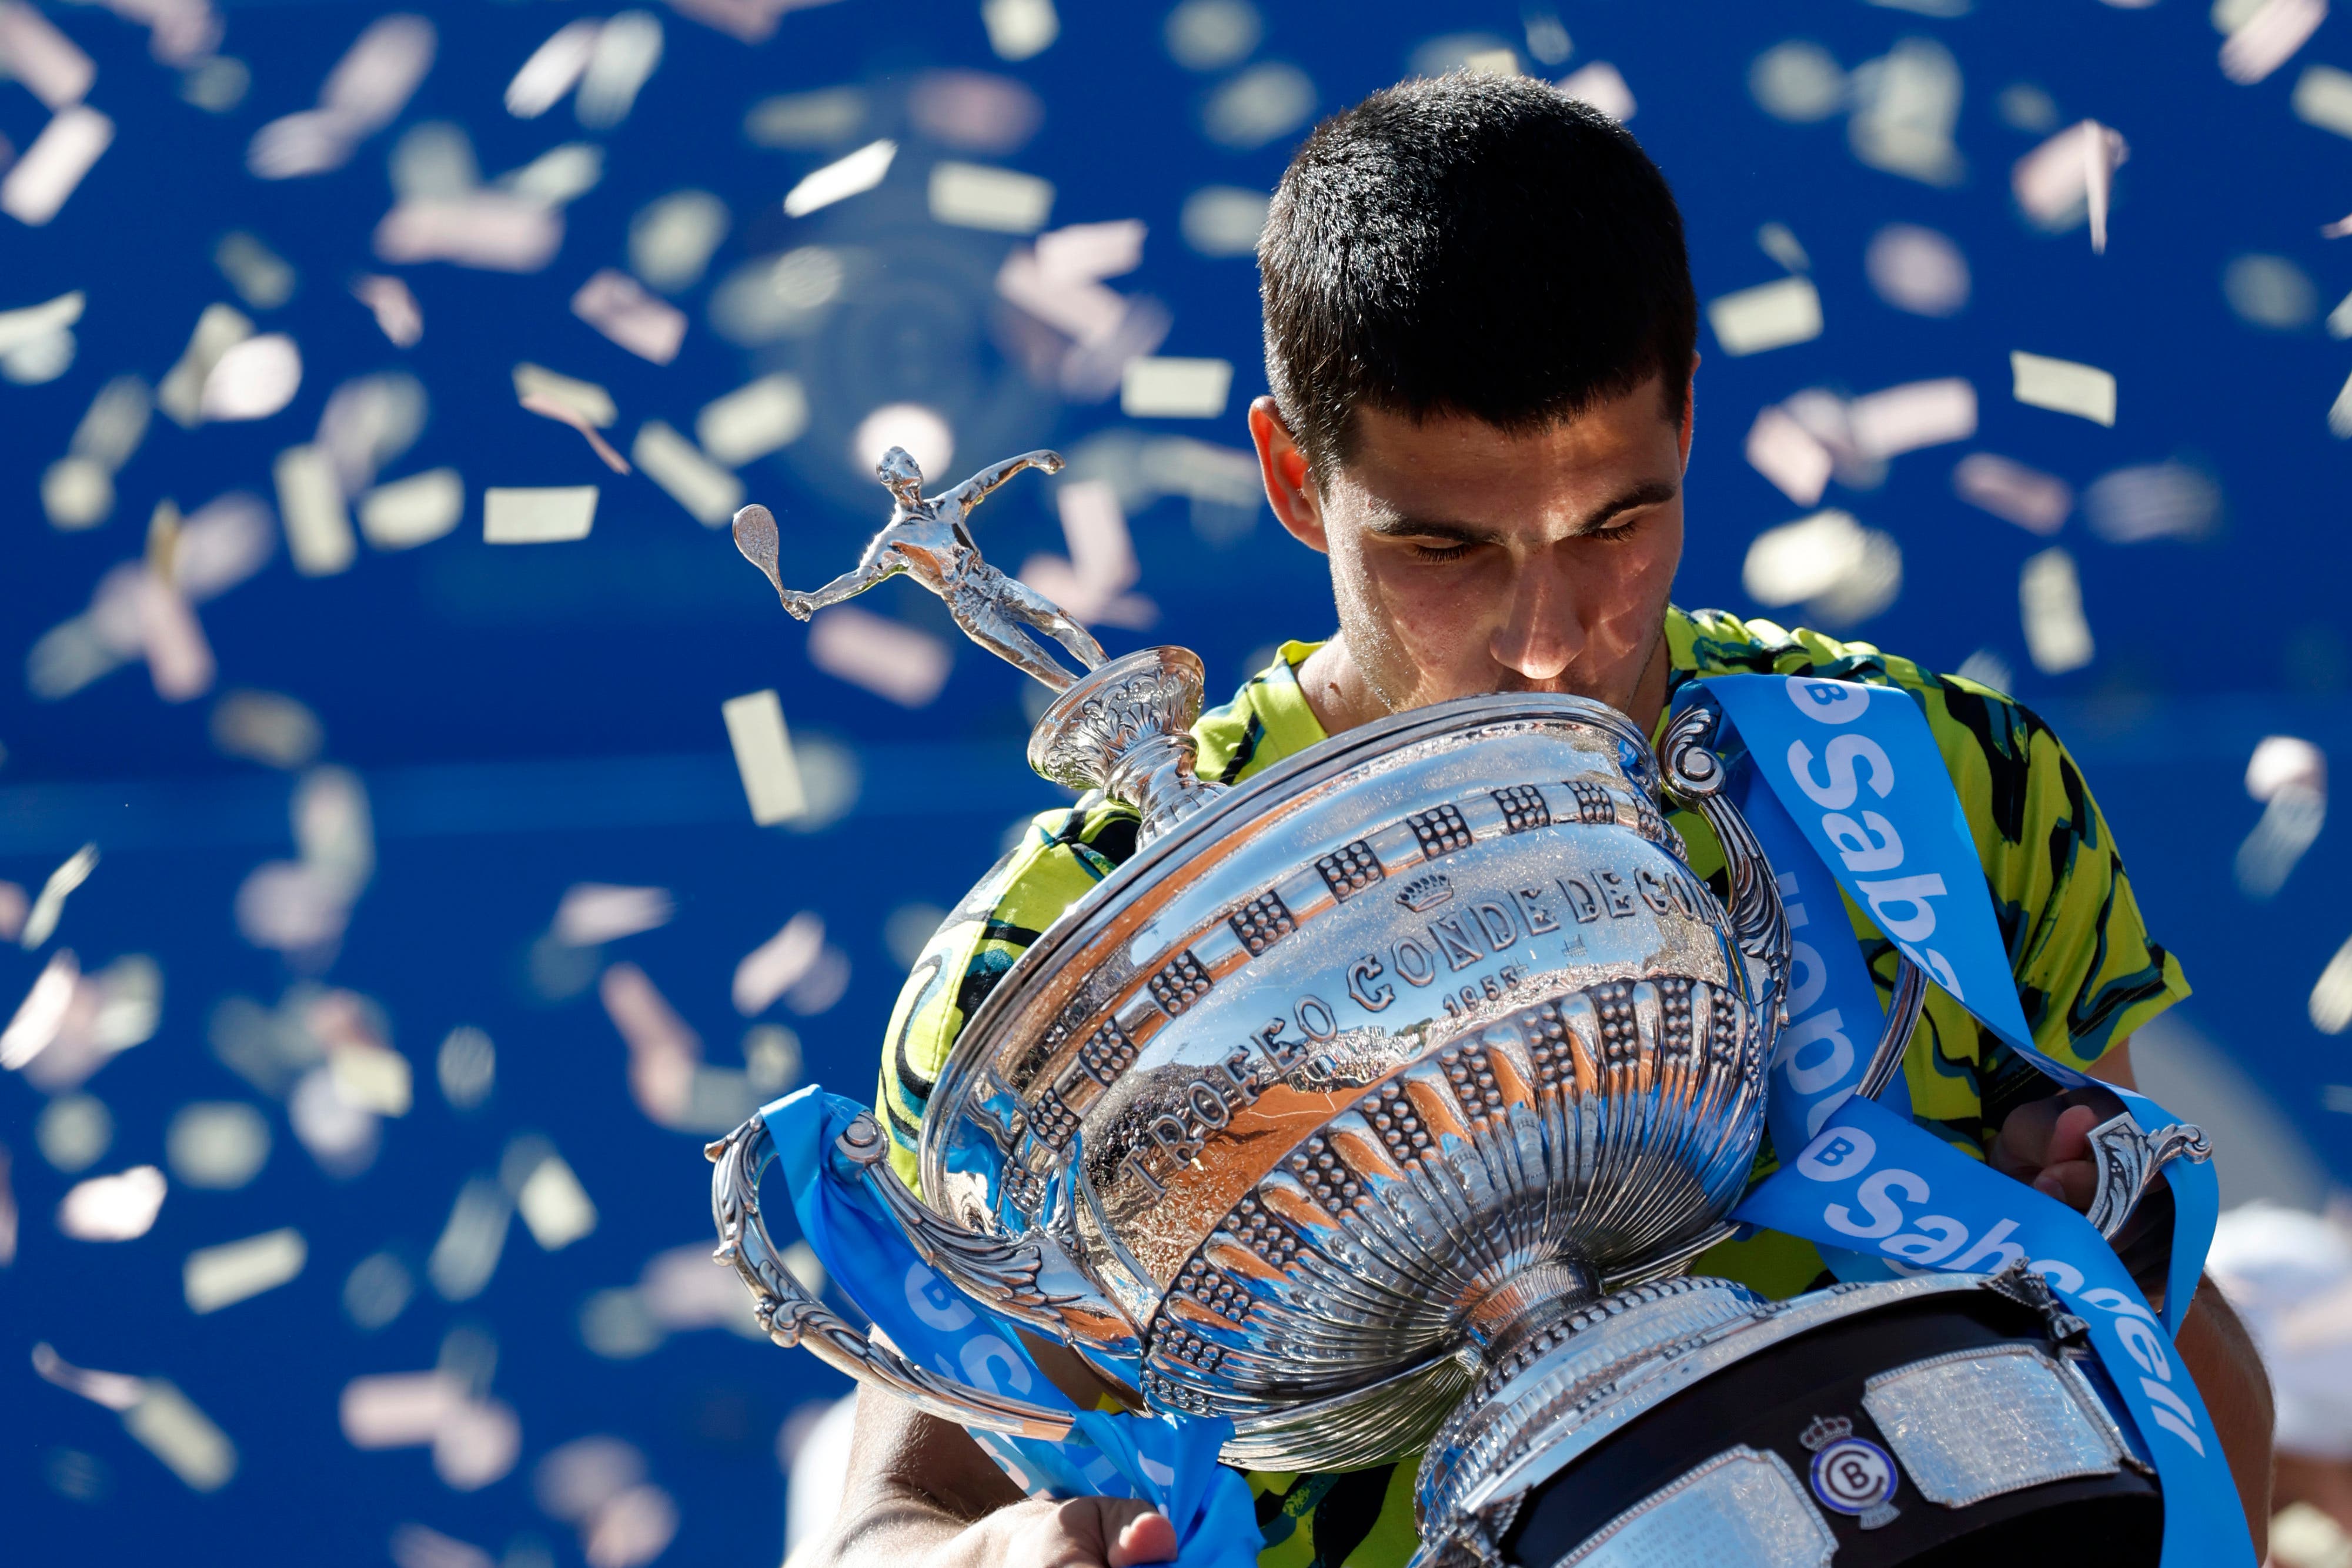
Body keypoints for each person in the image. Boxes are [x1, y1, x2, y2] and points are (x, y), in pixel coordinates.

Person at [803, 73, 2275, 1568]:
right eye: (1443, 545)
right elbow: (886, 1517)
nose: (1547, 636)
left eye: (1613, 525)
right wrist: (984, 1556)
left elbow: (2190, 1380)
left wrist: (2110, 1258)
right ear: (1294, 477)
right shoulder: (1068, 966)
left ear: (1690, 416)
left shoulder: (1943, 784)